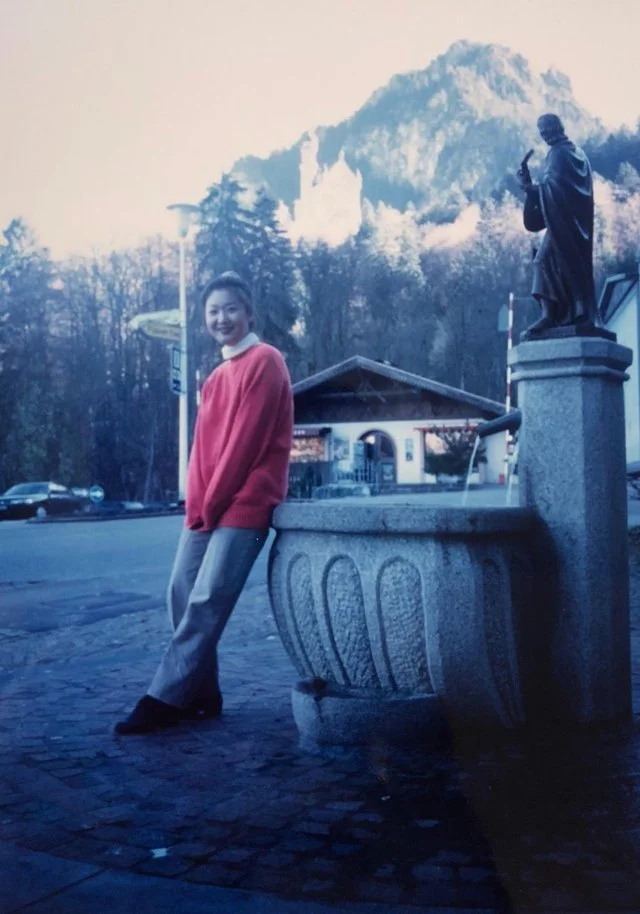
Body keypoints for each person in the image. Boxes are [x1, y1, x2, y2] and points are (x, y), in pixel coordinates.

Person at [115, 271, 294, 734]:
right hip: (210, 505)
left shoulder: (266, 361)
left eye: (231, 308)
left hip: (246, 501)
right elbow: (203, 451)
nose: (222, 318)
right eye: (213, 311)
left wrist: (214, 504)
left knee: (209, 597)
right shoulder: (215, 377)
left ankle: (163, 697)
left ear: (249, 312)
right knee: (180, 590)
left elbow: (244, 445)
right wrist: (197, 505)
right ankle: (202, 691)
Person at [518, 113, 597, 334]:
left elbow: (556, 188)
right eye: (541, 131)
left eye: (546, 130)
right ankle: (558, 314)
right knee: (552, 264)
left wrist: (529, 187)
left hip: (564, 226)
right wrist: (532, 188)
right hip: (569, 224)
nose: (544, 135)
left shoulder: (559, 154)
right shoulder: (575, 153)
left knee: (542, 261)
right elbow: (557, 188)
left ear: (556, 128)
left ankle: (549, 316)